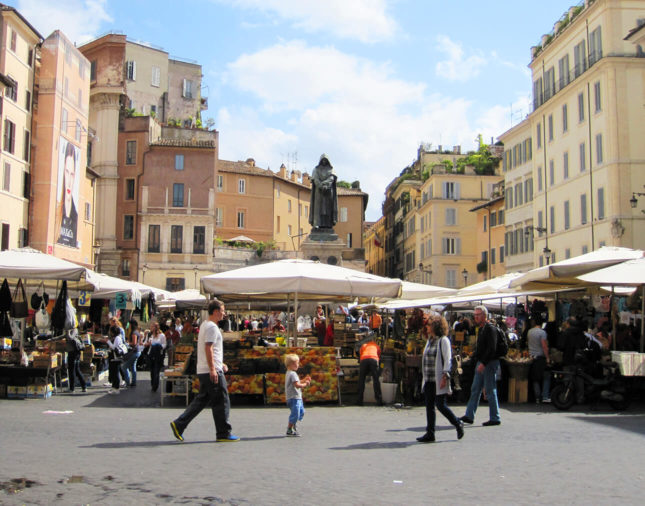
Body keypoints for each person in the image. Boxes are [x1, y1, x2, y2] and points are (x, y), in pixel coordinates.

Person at [170, 299, 240, 442]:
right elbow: (208, 348)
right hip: (210, 371)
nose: (224, 313)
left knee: (202, 400)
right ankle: (223, 433)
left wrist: (221, 364)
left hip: (205, 369)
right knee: (222, 400)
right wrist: (214, 369)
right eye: (222, 310)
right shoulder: (212, 328)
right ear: (215, 311)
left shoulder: (205, 325)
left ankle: (179, 424)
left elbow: (210, 350)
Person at [417, 314, 464, 443]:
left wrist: (445, 375)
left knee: (441, 405)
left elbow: (447, 359)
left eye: (429, 325)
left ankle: (457, 423)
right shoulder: (430, 341)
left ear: (435, 327)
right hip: (429, 378)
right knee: (429, 406)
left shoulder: (443, 340)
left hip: (439, 378)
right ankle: (430, 432)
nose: (427, 327)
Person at [461, 305, 501, 426]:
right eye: (475, 315)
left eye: (478, 315)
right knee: (475, 388)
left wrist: (483, 363)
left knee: (490, 389)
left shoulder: (490, 329)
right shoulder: (482, 328)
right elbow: (482, 348)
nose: (476, 317)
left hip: (489, 362)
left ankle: (495, 417)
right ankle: (469, 415)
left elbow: (492, 348)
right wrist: (474, 357)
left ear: (484, 316)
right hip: (482, 362)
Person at [56, 141, 78, 247]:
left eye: (72, 174)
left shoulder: (76, 217)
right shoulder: (56, 211)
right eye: (67, 172)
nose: (69, 181)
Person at [284, 353, 311, 436]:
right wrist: (305, 384)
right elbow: (297, 385)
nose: (298, 365)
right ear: (292, 364)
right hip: (294, 398)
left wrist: (303, 380)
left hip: (296, 397)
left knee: (301, 412)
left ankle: (293, 423)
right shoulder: (293, 374)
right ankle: (289, 429)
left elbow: (296, 382)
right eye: (297, 363)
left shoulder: (289, 373)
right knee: (296, 413)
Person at [309, 154, 338, 230]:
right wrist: (320, 186)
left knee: (328, 209)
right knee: (318, 209)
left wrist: (325, 185)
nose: (324, 161)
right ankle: (317, 224)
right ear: (320, 161)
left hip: (328, 191)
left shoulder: (331, 169)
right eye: (323, 160)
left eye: (325, 160)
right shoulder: (316, 170)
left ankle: (328, 224)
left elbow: (331, 178)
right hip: (318, 192)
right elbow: (315, 179)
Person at [527, 316, 551, 403]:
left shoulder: (529, 332)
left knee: (535, 378)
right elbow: (544, 346)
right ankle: (544, 396)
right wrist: (548, 357)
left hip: (531, 356)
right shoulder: (542, 333)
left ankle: (537, 396)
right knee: (546, 376)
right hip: (540, 357)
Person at [356, 336, 383, 406]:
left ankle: (359, 400)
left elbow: (360, 354)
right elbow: (379, 356)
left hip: (364, 360)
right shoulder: (377, 346)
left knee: (361, 379)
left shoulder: (364, 345)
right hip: (374, 359)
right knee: (376, 380)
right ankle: (379, 400)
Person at [106, 325, 128, 394]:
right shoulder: (116, 337)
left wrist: (108, 342)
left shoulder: (117, 338)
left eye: (111, 331)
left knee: (115, 373)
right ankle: (113, 387)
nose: (110, 333)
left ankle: (116, 388)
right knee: (113, 373)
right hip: (114, 358)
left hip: (116, 358)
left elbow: (114, 347)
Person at [147, 322, 166, 392]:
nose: (151, 328)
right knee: (152, 370)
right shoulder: (150, 335)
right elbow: (147, 343)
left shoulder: (162, 335)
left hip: (158, 355)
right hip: (151, 354)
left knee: (156, 370)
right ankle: (152, 384)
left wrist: (159, 346)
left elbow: (164, 344)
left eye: (152, 327)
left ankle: (155, 385)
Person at [122, 319, 142, 387]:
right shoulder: (136, 331)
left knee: (124, 367)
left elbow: (134, 343)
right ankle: (133, 382)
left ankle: (127, 382)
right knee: (133, 367)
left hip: (134, 352)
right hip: (136, 351)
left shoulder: (134, 333)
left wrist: (128, 343)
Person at [66, 329, 87, 393]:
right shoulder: (72, 330)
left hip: (74, 353)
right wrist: (52, 339)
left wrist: (68, 332)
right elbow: (63, 336)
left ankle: (72, 388)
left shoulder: (74, 330)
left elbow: (70, 338)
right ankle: (84, 386)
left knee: (72, 370)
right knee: (77, 370)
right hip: (74, 353)